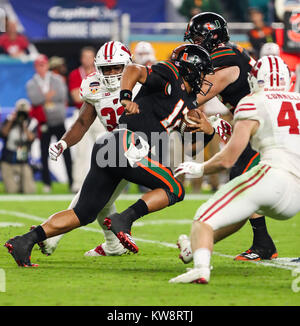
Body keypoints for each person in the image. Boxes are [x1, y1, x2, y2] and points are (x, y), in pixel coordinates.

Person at [4, 44, 218, 267]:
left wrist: (209, 130)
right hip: (125, 143)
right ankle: (123, 220)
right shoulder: (169, 73)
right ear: (191, 70)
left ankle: (25, 241)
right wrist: (126, 98)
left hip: (112, 146)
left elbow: (191, 148)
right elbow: (133, 70)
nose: (204, 78)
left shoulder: (188, 100)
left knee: (83, 213)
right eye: (202, 72)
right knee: (174, 188)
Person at [169, 55, 299, 284]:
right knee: (243, 209)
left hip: (274, 178)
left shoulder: (252, 101)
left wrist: (199, 169)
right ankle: (195, 247)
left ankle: (200, 268)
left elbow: (228, 159)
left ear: (256, 79)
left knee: (203, 218)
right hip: (295, 189)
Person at [181, 12, 278, 261]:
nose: (194, 42)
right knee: (241, 176)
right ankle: (262, 244)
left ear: (210, 37)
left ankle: (257, 244)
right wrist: (213, 125)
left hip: (262, 125)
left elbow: (195, 98)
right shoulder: (231, 52)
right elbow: (235, 108)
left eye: (197, 37)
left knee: (240, 178)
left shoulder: (224, 59)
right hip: (252, 122)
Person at [38, 41, 139, 257]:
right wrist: (64, 142)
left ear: (128, 65)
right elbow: (83, 122)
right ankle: (114, 245)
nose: (111, 74)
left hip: (143, 147)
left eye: (117, 68)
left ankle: (51, 237)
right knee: (99, 196)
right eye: (106, 68)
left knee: (93, 197)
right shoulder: (94, 85)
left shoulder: (142, 83)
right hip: (116, 147)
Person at [26, 54, 73, 193]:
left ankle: (71, 182)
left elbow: (62, 96)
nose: (42, 68)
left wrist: (44, 99)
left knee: (66, 150)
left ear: (47, 65)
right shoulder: (31, 83)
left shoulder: (57, 79)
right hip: (44, 122)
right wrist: (47, 97)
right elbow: (35, 99)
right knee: (44, 152)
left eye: (43, 65)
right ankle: (47, 183)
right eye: (39, 65)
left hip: (58, 120)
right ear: (36, 67)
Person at [68, 46, 106, 193]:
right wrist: (95, 95)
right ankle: (78, 183)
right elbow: (75, 97)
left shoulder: (101, 73)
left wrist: (87, 94)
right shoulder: (75, 74)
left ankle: (106, 182)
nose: (88, 60)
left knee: (105, 148)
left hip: (99, 114)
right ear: (81, 59)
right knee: (81, 150)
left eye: (90, 57)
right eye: (85, 57)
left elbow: (81, 95)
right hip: (82, 113)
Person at [0, 98, 36, 194]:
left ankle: (22, 184)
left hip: (24, 160)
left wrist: (24, 126)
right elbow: (3, 134)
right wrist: (12, 121)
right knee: (12, 191)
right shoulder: (9, 120)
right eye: (20, 112)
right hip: (8, 160)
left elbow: (31, 138)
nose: (22, 115)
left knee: (29, 191)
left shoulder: (32, 122)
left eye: (24, 112)